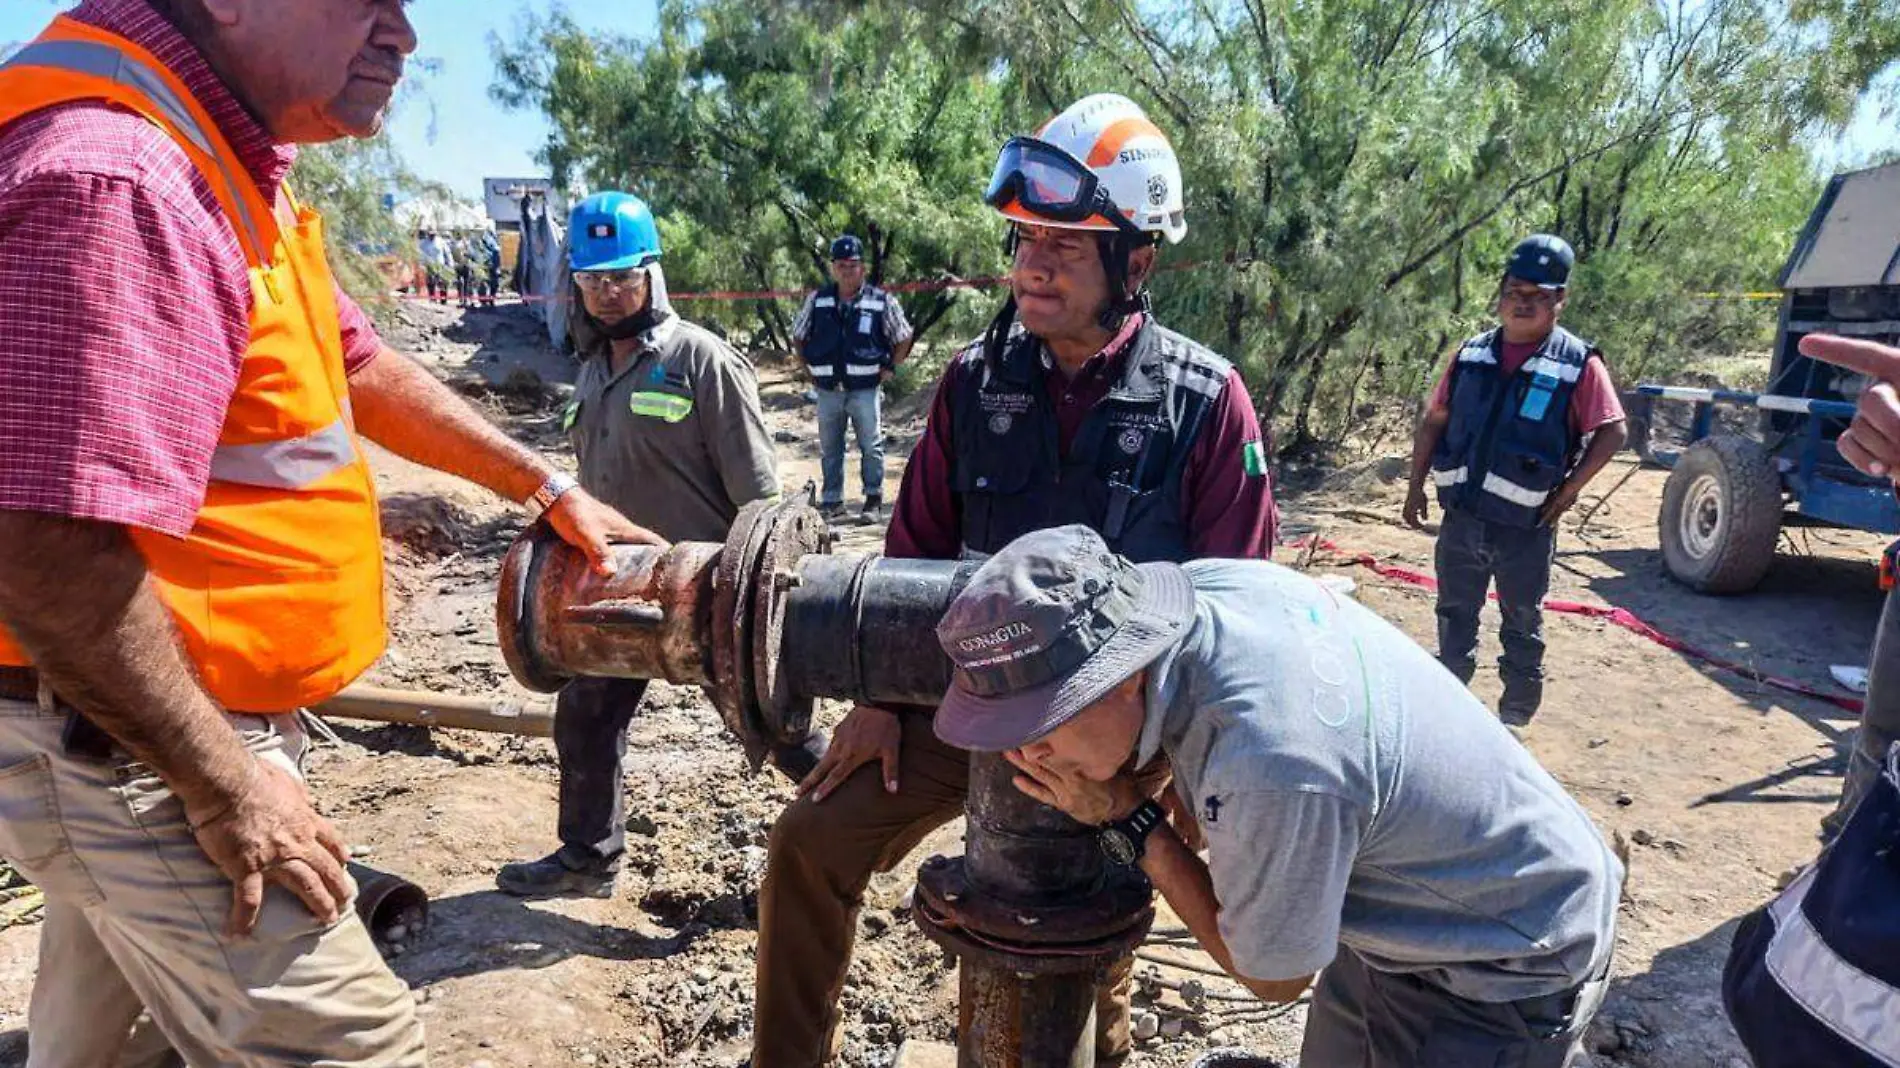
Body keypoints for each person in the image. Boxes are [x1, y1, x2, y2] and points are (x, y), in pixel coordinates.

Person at [0, 3, 660, 1065]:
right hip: (133, 741)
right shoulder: (124, 177)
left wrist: (540, 483)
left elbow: (351, 361)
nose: (404, 34)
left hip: (145, 724)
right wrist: (223, 785)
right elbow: (43, 551)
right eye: (372, 1)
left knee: (96, 1050)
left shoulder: (219, 151)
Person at [752, 93, 1279, 1068]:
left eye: (1067, 246)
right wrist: (873, 700)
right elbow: (910, 554)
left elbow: (1241, 617)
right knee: (808, 845)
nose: (1031, 263)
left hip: (1117, 740)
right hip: (954, 715)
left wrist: (1167, 775)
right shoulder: (970, 384)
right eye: (1025, 237)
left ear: (1138, 261)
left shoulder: (1206, 407)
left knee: (1087, 921)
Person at [934, 525, 1625, 1068]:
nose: (1021, 756)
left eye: (1039, 726)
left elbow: (1273, 978)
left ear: (1120, 677)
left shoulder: (1268, 767)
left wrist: (1129, 816)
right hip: (1419, 896)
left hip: (1505, 955)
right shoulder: (1219, 591)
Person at [497, 192, 780, 898]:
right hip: (613, 588)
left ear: (655, 272)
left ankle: (875, 839)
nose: (609, 293)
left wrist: (759, 596)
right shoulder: (592, 370)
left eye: (623, 276)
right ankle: (587, 858)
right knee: (586, 716)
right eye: (594, 280)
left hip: (712, 593)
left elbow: (762, 498)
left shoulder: (702, 362)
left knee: (776, 724)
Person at [1403, 235, 1630, 724]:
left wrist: (1569, 492)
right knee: (1454, 616)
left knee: (1522, 625)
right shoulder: (1471, 355)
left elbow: (1613, 431)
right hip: (1462, 519)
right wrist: (1414, 485)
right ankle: (1450, 714)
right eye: (1515, 291)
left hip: (1525, 529)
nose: (1523, 303)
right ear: (1501, 293)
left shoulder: (1577, 364)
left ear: (1560, 301)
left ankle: (1514, 722)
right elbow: (1434, 421)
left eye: (1539, 295)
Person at [791, 234, 913, 524]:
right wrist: (807, 369)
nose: (847, 270)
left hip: (864, 389)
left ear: (863, 268)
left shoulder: (881, 301)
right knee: (830, 448)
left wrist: (891, 368)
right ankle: (832, 502)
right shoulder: (817, 300)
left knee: (871, 447)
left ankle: (872, 500)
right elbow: (798, 335)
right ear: (834, 268)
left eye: (853, 264)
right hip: (828, 390)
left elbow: (903, 335)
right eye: (842, 265)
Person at [418, 227, 450, 304]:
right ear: (428, 234)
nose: (432, 235)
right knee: (431, 283)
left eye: (433, 234)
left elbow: (447, 253)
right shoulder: (423, 243)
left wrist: (449, 264)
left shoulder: (441, 241)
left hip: (440, 266)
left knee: (442, 283)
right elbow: (420, 255)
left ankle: (443, 300)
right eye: (430, 234)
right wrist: (421, 264)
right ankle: (432, 299)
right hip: (429, 266)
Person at [451, 229, 476, 308]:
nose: (458, 235)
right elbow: (452, 254)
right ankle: (462, 300)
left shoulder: (466, 243)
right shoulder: (453, 243)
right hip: (458, 266)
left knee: (468, 284)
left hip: (466, 265)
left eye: (459, 233)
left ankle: (469, 300)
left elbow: (472, 254)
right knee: (460, 283)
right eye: (456, 233)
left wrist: (467, 254)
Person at [480, 224, 503, 306]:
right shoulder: (489, 240)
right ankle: (489, 299)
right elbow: (496, 252)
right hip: (490, 264)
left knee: (487, 283)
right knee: (491, 283)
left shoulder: (487, 240)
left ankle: (486, 299)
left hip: (488, 264)